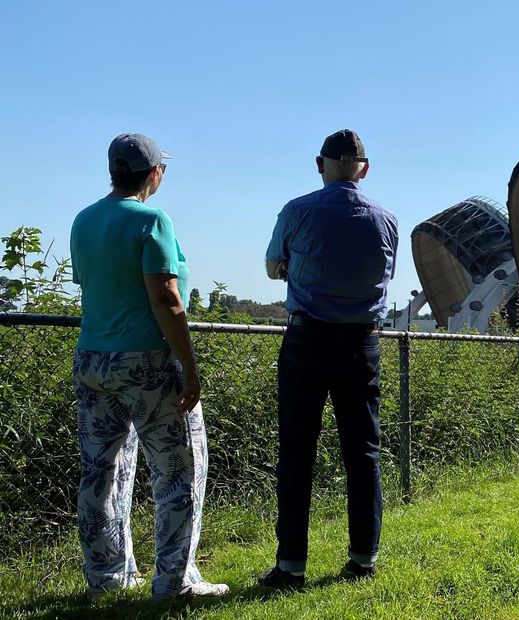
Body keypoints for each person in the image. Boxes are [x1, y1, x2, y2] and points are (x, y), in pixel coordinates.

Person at [70, 133, 228, 600]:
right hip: (146, 362)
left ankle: (106, 577)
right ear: (154, 173)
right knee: (179, 470)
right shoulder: (152, 220)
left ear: (113, 170)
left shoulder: (84, 219)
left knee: (101, 471)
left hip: (93, 360)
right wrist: (189, 366)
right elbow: (164, 297)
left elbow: (96, 285)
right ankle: (174, 582)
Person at [259, 129, 398, 587]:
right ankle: (363, 559)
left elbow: (273, 265)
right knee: (363, 453)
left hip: (308, 340)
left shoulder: (297, 211)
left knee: (297, 452)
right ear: (364, 168)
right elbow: (384, 274)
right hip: (362, 343)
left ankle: (291, 566)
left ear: (320, 165)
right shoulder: (386, 220)